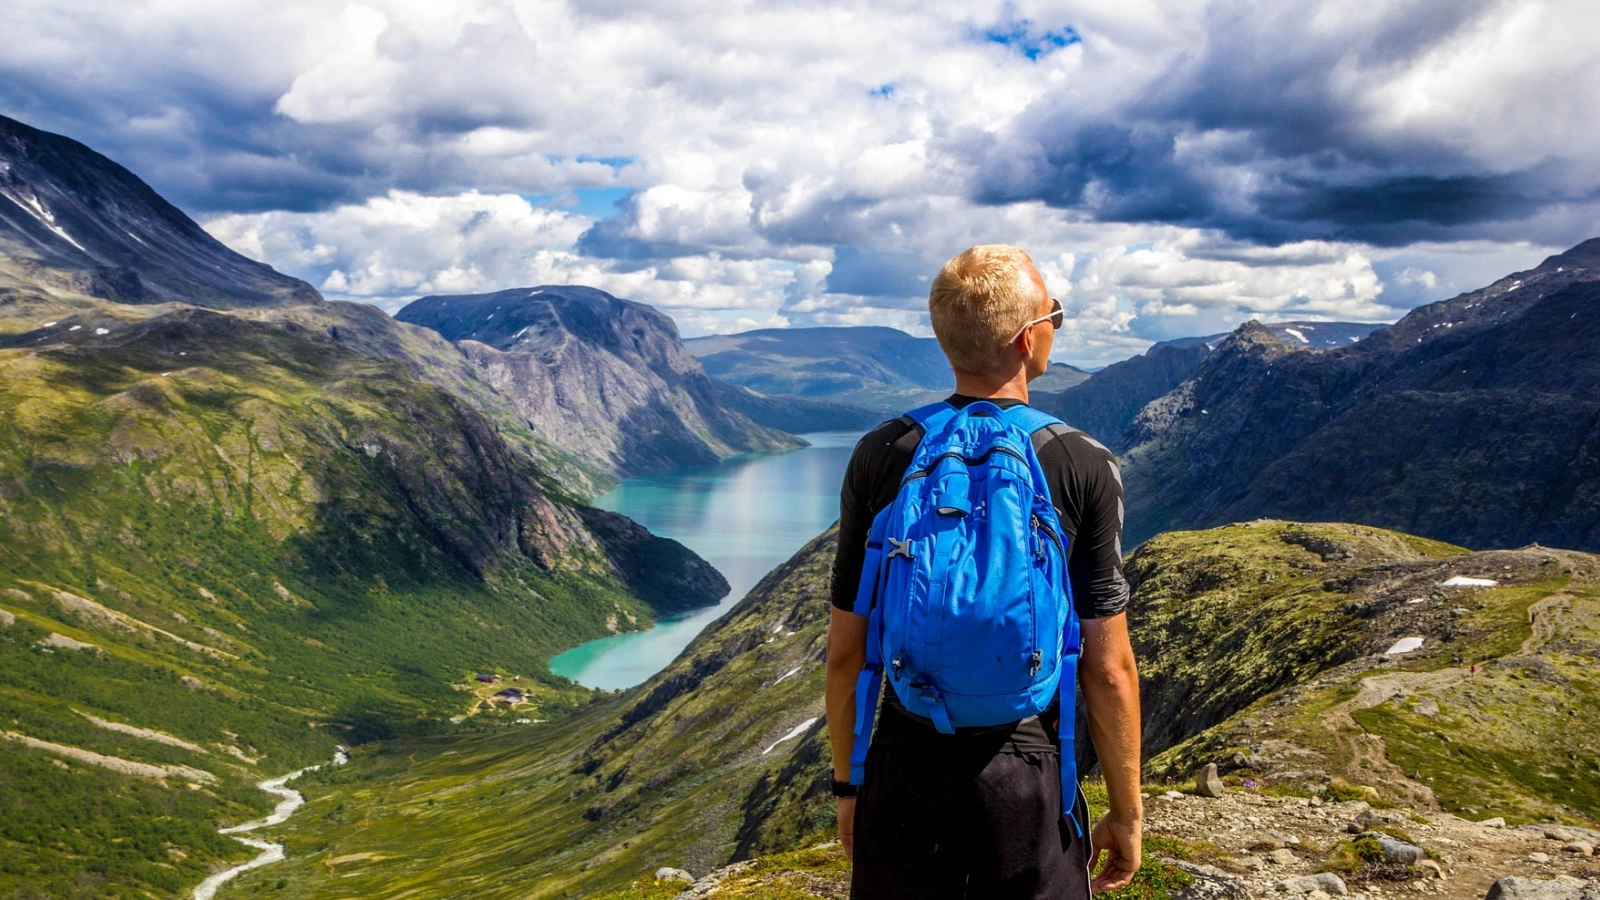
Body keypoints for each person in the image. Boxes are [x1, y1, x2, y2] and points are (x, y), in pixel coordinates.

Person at [825, 245, 1144, 899]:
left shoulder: (884, 452)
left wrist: (850, 787)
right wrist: (1127, 813)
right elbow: (1108, 666)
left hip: (904, 758)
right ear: (1030, 339)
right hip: (1026, 769)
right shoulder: (1081, 462)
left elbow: (847, 654)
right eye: (1056, 312)